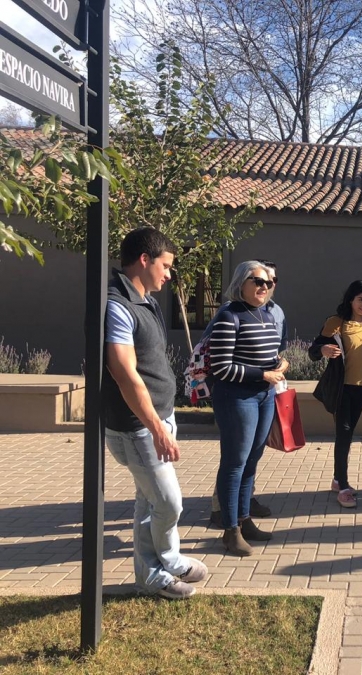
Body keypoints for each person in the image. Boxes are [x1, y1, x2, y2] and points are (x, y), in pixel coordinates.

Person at [104, 227, 208, 599]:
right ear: (144, 260)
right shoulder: (117, 305)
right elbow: (124, 372)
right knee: (168, 502)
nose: (168, 274)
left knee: (148, 501)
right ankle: (172, 561)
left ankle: (151, 578)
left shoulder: (144, 300)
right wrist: (157, 429)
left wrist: (164, 421)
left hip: (158, 417)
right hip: (138, 426)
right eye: (165, 266)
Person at [210, 261, 289, 556]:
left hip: (264, 396)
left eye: (268, 282)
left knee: (252, 461)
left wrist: (280, 364)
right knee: (235, 463)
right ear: (241, 282)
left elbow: (268, 354)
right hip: (236, 398)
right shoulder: (229, 315)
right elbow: (221, 367)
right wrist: (262, 374)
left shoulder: (267, 314)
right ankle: (230, 530)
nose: (264, 287)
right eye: (257, 281)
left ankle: (244, 521)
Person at [309, 280, 362, 508]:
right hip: (342, 387)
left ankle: (337, 480)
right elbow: (313, 350)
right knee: (343, 434)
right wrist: (322, 349)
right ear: (350, 300)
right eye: (360, 299)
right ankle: (343, 487)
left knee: (349, 433)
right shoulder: (336, 323)